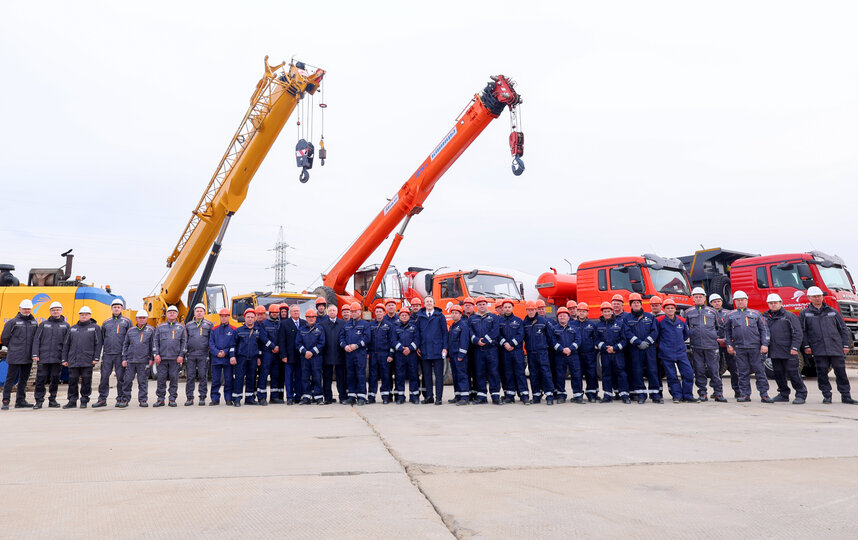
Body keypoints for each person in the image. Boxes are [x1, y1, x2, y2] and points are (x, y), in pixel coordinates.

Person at [799, 286, 856, 404]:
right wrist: (806, 346)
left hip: (835, 348)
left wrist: (846, 345)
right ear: (809, 298)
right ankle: (827, 395)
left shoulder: (832, 312)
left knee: (840, 372)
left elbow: (843, 329)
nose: (817, 298)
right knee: (822, 373)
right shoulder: (805, 314)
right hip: (819, 348)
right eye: (814, 296)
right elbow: (802, 332)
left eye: (819, 296)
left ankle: (846, 396)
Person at [724, 291, 772, 403]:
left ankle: (764, 394)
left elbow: (764, 330)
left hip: (755, 347)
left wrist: (765, 344)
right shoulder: (730, 315)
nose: (740, 302)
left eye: (742, 299)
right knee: (742, 372)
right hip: (739, 348)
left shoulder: (756, 314)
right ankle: (745, 394)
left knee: (760, 371)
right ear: (735, 301)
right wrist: (729, 345)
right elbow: (727, 332)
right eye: (738, 300)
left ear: (747, 300)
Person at [763, 294, 807, 404]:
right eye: (771, 303)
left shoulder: (789, 316)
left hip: (788, 351)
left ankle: (801, 394)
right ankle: (783, 394)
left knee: (793, 373)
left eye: (775, 302)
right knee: (778, 374)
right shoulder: (766, 317)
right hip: (774, 351)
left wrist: (795, 347)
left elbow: (797, 332)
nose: (773, 305)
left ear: (781, 303)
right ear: (768, 304)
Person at [685, 287, 725, 402]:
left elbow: (719, 327)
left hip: (711, 346)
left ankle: (718, 393)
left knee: (714, 370)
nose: (698, 298)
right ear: (693, 298)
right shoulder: (688, 312)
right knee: (699, 370)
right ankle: (702, 393)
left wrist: (714, 337)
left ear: (704, 298)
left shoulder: (712, 312)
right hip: (696, 346)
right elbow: (685, 328)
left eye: (700, 296)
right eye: (696, 297)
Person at [229, 307, 274, 407]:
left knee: (251, 378)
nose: (250, 319)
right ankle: (237, 399)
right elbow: (232, 345)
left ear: (254, 318)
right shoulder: (238, 331)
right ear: (244, 318)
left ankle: (249, 399)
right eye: (248, 317)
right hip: (241, 358)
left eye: (252, 317)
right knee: (239, 378)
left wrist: (259, 357)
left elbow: (260, 345)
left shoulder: (258, 331)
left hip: (253, 358)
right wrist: (232, 356)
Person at [62, 306, 103, 408]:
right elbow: (66, 344)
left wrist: (96, 358)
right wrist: (64, 359)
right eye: (82, 314)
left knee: (86, 381)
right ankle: (72, 401)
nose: (84, 316)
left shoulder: (95, 328)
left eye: (86, 314)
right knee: (72, 381)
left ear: (90, 315)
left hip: (87, 360)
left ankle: (84, 400)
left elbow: (98, 344)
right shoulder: (72, 328)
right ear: (79, 315)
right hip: (73, 360)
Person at [655, 298, 695, 403]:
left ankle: (688, 395)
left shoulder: (681, 321)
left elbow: (686, 334)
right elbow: (656, 335)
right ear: (664, 309)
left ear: (675, 309)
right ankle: (677, 396)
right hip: (666, 353)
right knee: (672, 376)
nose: (670, 310)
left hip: (681, 352)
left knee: (688, 373)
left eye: (672, 308)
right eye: (667, 308)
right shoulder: (659, 321)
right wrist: (663, 346)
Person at [623, 293, 661, 403]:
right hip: (635, 349)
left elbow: (655, 331)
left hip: (649, 348)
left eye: (638, 302)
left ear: (641, 304)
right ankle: (641, 395)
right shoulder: (627, 318)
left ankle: (655, 395)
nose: (636, 304)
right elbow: (627, 332)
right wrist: (638, 342)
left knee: (652, 370)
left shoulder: (650, 317)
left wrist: (647, 342)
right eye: (634, 303)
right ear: (631, 305)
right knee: (637, 371)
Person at [1, 299, 39, 409]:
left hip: (28, 356)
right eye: (24, 309)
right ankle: (6, 401)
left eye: (28, 309)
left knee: (24, 379)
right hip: (15, 355)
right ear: (20, 309)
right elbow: (4, 338)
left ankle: (20, 400)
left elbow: (36, 339)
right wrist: (13, 348)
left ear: (31, 309)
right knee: (10, 379)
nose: (26, 311)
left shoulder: (34, 322)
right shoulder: (13, 322)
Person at [32, 301, 70, 409]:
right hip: (43, 357)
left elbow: (67, 343)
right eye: (53, 310)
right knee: (40, 379)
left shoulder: (66, 325)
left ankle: (52, 400)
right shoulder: (44, 324)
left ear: (61, 311)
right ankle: (39, 400)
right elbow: (36, 340)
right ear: (50, 311)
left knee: (55, 379)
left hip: (57, 358)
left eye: (57, 309)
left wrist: (65, 357)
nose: (55, 311)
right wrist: (35, 354)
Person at [95, 298, 131, 408]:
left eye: (118, 307)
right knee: (104, 377)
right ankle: (102, 399)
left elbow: (129, 339)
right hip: (107, 354)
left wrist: (127, 355)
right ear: (111, 308)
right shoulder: (106, 323)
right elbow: (101, 339)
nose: (116, 309)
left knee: (121, 378)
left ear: (122, 308)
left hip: (120, 354)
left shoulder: (127, 322)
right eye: (114, 307)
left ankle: (121, 398)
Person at [152, 305, 186, 407]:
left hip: (175, 359)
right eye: (169, 312)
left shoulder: (181, 327)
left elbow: (184, 342)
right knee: (161, 379)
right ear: (166, 314)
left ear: (177, 314)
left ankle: (172, 399)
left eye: (174, 312)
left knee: (174, 379)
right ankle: (160, 399)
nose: (172, 313)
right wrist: (156, 354)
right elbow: (155, 341)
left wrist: (181, 355)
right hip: (162, 358)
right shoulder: (160, 327)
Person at [595, 301, 628, 403]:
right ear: (602, 312)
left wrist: (615, 348)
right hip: (605, 354)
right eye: (605, 311)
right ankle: (607, 395)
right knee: (606, 374)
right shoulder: (598, 325)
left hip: (617, 354)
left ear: (612, 311)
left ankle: (624, 396)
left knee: (621, 373)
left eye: (608, 311)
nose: (607, 313)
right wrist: (605, 348)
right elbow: (596, 340)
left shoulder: (619, 324)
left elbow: (624, 340)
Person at [417, 296, 448, 405]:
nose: (429, 303)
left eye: (430, 301)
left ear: (434, 303)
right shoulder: (420, 317)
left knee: (439, 376)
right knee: (427, 375)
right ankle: (429, 397)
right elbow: (417, 334)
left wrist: (445, 347)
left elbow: (445, 333)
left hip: (437, 350)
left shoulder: (440, 316)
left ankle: (438, 398)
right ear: (424, 304)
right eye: (427, 301)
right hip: (424, 350)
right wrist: (417, 346)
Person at [469, 297, 500, 405]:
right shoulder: (472, 318)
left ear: (486, 305)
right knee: (479, 373)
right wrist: (477, 341)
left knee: (493, 373)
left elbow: (495, 330)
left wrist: (485, 340)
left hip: (491, 350)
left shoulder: (493, 317)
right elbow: (470, 332)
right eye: (480, 304)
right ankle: (482, 397)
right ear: (477, 306)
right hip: (478, 350)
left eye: (483, 304)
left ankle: (495, 396)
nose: (482, 306)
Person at [523, 300, 555, 405]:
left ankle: (549, 395)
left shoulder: (543, 321)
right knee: (534, 374)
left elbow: (550, 337)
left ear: (536, 310)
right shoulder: (525, 323)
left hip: (542, 352)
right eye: (529, 310)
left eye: (532, 310)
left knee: (546, 373)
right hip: (531, 353)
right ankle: (536, 396)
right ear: (526, 310)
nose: (531, 312)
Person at [121, 310, 154, 407]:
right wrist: (124, 358)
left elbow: (153, 345)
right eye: (140, 318)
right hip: (131, 360)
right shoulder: (130, 330)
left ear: (147, 319)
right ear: (136, 319)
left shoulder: (151, 330)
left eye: (144, 318)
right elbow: (125, 345)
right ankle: (125, 400)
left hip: (144, 360)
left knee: (142, 381)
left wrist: (151, 358)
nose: (142, 319)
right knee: (127, 381)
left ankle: (143, 400)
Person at [710, 293, 740, 399]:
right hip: (715, 344)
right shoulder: (709, 313)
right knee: (716, 369)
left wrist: (728, 340)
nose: (717, 303)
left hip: (729, 344)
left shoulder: (729, 313)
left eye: (718, 301)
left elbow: (733, 328)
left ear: (722, 302)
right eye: (714, 301)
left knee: (734, 368)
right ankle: (717, 391)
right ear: (711, 303)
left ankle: (738, 390)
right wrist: (716, 339)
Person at [550, 307, 583, 403]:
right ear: (558, 318)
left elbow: (578, 340)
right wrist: (562, 349)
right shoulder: (553, 329)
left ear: (569, 317)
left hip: (573, 355)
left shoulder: (575, 328)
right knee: (560, 376)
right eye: (560, 316)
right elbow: (552, 342)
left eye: (564, 315)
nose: (562, 317)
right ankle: (561, 395)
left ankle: (578, 395)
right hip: (560, 356)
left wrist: (570, 349)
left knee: (576, 375)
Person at [498, 298, 527, 404]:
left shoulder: (519, 320)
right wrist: (504, 343)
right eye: (505, 307)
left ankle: (524, 395)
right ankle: (510, 396)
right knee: (508, 373)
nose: (507, 309)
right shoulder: (499, 321)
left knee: (520, 373)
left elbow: (521, 334)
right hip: (505, 352)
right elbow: (498, 334)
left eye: (509, 307)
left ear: (512, 308)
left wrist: (511, 344)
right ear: (502, 309)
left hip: (517, 351)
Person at [340, 301, 370, 405]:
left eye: (355, 311)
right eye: (351, 311)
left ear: (360, 312)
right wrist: (345, 346)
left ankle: (361, 397)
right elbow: (341, 337)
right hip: (349, 354)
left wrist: (356, 345)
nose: (353, 313)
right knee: (350, 375)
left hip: (360, 353)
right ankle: (351, 396)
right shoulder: (346, 325)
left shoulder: (365, 324)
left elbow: (367, 338)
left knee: (360, 375)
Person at [185, 303, 213, 406]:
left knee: (203, 376)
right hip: (191, 354)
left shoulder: (209, 325)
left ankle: (202, 397)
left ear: (204, 312)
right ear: (194, 313)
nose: (199, 313)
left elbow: (211, 340)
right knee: (190, 376)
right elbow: (185, 340)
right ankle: (189, 397)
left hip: (203, 354)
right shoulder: (188, 325)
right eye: (197, 311)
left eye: (201, 311)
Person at [319, 303, 347, 404]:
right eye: (330, 310)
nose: (332, 312)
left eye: (334, 310)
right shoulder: (322, 324)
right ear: (327, 312)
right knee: (327, 378)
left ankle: (343, 397)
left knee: (341, 378)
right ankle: (328, 398)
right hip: (327, 355)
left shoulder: (343, 323)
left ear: (337, 312)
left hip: (340, 355)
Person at [571, 303, 600, 401]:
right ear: (577, 312)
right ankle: (577, 395)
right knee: (577, 374)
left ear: (587, 312)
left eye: (584, 311)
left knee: (591, 374)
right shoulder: (572, 324)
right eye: (580, 311)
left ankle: (592, 394)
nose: (581, 313)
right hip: (576, 354)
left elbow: (596, 338)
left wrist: (594, 351)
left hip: (589, 354)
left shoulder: (592, 325)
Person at [368, 303, 395, 404]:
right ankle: (371, 397)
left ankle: (385, 397)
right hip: (373, 354)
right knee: (372, 376)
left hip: (384, 354)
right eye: (377, 311)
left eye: (380, 312)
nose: (378, 313)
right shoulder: (370, 325)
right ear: (374, 313)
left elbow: (392, 341)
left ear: (384, 313)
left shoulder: (389, 325)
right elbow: (368, 340)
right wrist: (367, 352)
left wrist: (391, 355)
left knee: (385, 376)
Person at [279, 304, 306, 404]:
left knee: (299, 377)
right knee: (289, 378)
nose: (296, 313)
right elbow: (282, 341)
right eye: (294, 311)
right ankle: (290, 397)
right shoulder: (285, 324)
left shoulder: (304, 323)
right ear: (290, 313)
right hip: (289, 356)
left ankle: (298, 396)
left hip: (300, 356)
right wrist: (283, 355)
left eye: (298, 311)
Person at [297, 309, 326, 404]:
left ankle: (318, 397)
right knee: (305, 377)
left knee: (317, 377)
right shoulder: (301, 329)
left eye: (313, 317)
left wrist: (312, 352)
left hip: (316, 358)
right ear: (306, 318)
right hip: (304, 357)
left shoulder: (320, 329)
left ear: (315, 318)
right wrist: (305, 352)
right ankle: (306, 397)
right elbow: (298, 343)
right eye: (309, 317)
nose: (311, 319)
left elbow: (322, 343)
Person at [393, 307, 421, 404]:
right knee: (400, 376)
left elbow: (417, 339)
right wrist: (401, 348)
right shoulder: (395, 327)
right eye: (402, 315)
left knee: (413, 375)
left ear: (409, 316)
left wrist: (410, 348)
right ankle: (401, 397)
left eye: (406, 315)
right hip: (400, 355)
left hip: (412, 354)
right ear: (399, 316)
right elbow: (393, 340)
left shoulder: (414, 326)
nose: (404, 317)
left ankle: (414, 397)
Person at [209, 308, 236, 406]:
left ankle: (229, 398)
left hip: (227, 359)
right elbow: (211, 344)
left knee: (228, 379)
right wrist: (217, 353)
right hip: (216, 359)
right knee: (216, 380)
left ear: (229, 317)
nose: (224, 318)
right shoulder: (214, 329)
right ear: (219, 317)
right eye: (222, 316)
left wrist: (225, 352)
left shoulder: (233, 330)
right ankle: (215, 399)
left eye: (226, 316)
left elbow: (233, 344)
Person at [256, 304, 281, 405]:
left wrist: (278, 347)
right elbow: (263, 338)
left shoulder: (280, 323)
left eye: (276, 312)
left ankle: (274, 397)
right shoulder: (264, 324)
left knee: (275, 375)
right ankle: (261, 397)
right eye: (273, 312)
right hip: (267, 353)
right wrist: (273, 347)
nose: (274, 314)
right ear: (269, 313)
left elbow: (282, 337)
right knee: (264, 375)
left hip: (277, 353)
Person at [447, 304, 470, 405]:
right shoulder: (453, 326)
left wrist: (461, 355)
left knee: (462, 376)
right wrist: (448, 355)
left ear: (461, 314)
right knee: (455, 376)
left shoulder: (463, 325)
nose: (454, 315)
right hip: (452, 356)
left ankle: (464, 397)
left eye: (456, 313)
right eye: (453, 313)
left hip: (460, 356)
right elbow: (450, 341)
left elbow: (464, 342)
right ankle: (458, 395)